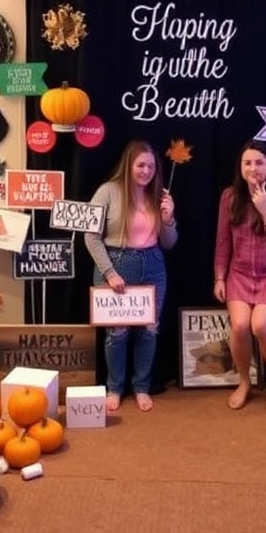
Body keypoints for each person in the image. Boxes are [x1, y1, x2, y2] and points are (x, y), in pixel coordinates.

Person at [84, 140, 178, 413]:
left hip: (153, 265)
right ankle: (115, 387)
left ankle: (141, 387)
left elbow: (169, 243)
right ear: (129, 165)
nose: (146, 171)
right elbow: (90, 236)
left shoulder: (159, 195)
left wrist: (169, 219)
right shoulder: (107, 192)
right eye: (141, 165)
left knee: (149, 331)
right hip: (116, 261)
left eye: (151, 166)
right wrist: (109, 272)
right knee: (117, 333)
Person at [212, 141, 266, 414]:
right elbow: (223, 242)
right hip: (240, 274)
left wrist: (265, 210)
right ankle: (244, 381)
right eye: (247, 162)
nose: (253, 168)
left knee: (260, 325)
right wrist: (219, 278)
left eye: (259, 162)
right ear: (241, 167)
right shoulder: (229, 197)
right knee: (239, 326)